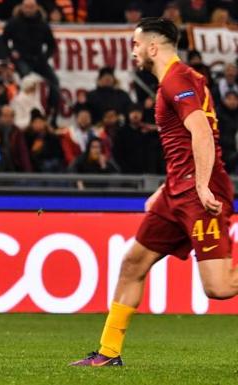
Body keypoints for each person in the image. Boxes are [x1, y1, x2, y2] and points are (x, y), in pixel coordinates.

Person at [72, 17, 236, 367]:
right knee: (133, 262)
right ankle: (108, 353)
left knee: (218, 288)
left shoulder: (176, 79)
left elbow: (202, 134)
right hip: (178, 189)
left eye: (135, 44)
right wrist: (167, 186)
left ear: (152, 47)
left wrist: (202, 185)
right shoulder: (181, 80)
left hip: (196, 191)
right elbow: (183, 140)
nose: (132, 52)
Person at [4, 0, 59, 119]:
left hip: (39, 60)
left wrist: (44, 57)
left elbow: (51, 45)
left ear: (37, 8)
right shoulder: (13, 23)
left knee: (55, 83)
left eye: (31, 7)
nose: (29, 9)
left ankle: (50, 114)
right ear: (21, 7)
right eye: (26, 7)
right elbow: (3, 42)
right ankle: (24, 115)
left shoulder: (43, 24)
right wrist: (11, 55)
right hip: (21, 60)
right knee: (28, 83)